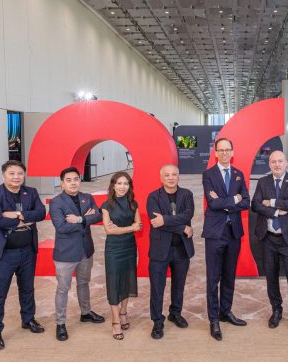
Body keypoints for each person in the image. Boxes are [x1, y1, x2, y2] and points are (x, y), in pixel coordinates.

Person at [0, 160, 46, 350]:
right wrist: (21, 220)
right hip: (4, 254)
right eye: (12, 173)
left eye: (20, 173)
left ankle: (28, 319)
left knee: (27, 288)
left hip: (27, 251)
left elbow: (41, 213)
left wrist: (15, 214)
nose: (16, 177)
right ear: (4, 175)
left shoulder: (31, 192)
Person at [251, 151, 288, 336]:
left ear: (286, 163)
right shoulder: (262, 182)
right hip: (268, 238)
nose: (277, 165)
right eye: (273, 162)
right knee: (271, 276)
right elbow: (256, 205)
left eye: (280, 161)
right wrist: (275, 212)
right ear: (269, 164)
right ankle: (276, 310)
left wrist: (272, 202)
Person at [202, 137, 250, 341]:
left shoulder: (238, 174)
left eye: (227, 149)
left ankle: (225, 311)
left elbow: (246, 202)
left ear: (232, 152)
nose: (224, 153)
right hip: (215, 233)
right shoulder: (208, 175)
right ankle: (214, 319)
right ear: (215, 153)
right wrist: (234, 200)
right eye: (220, 150)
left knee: (229, 275)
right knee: (213, 278)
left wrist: (226, 201)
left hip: (233, 232)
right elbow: (212, 204)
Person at [49, 167, 105, 341]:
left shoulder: (87, 197)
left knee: (83, 283)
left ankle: (85, 313)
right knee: (63, 289)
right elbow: (61, 227)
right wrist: (86, 220)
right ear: (62, 183)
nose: (73, 183)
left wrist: (79, 219)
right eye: (69, 180)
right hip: (65, 253)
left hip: (85, 250)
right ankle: (60, 323)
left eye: (76, 179)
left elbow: (98, 216)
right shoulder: (56, 202)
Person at [146, 164, 195, 340]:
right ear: (161, 178)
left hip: (181, 248)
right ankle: (157, 321)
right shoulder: (153, 197)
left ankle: (175, 313)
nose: (171, 178)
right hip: (160, 250)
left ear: (178, 176)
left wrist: (165, 220)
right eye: (167, 175)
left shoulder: (187, 194)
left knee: (179, 285)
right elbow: (155, 222)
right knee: (157, 288)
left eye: (174, 174)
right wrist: (182, 227)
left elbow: (188, 215)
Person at [100, 171, 141, 341]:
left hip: (129, 247)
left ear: (129, 186)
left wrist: (123, 228)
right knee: (113, 282)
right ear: (113, 185)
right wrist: (130, 228)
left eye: (126, 183)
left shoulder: (133, 204)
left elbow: (139, 225)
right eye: (119, 183)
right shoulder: (106, 206)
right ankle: (115, 321)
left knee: (127, 279)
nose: (122, 187)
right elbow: (109, 230)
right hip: (114, 249)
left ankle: (123, 312)